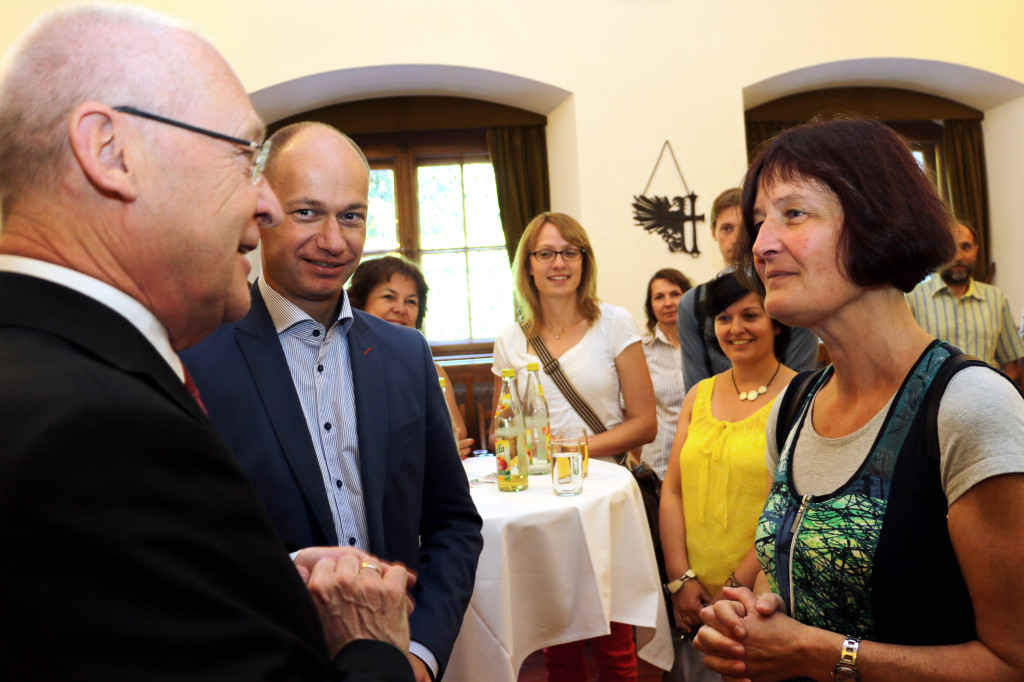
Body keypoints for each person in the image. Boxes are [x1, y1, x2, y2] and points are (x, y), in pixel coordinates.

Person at [0, 5, 415, 681]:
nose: (268, 206)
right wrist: (369, 644)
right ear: (110, 152)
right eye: (244, 156)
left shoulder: (51, 368)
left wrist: (266, 581)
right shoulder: (97, 430)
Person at [694, 117, 1024, 681]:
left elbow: (1011, 661)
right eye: (758, 222)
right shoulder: (794, 407)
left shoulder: (965, 408)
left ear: (878, 222)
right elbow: (783, 578)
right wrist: (752, 613)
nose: (761, 244)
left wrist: (817, 654)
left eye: (793, 214)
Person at [181, 121, 483, 682]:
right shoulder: (196, 357)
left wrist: (420, 653)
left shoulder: (405, 353)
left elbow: (453, 522)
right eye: (307, 212)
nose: (334, 241)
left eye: (350, 215)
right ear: (259, 212)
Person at [491, 211, 657, 681]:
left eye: (569, 252)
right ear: (528, 265)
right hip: (542, 501)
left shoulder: (614, 323)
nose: (558, 263)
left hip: (603, 492)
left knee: (613, 637)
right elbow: (505, 426)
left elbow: (645, 424)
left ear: (585, 261)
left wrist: (578, 447)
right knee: (556, 638)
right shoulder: (510, 339)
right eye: (545, 253)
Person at [659, 272, 795, 682]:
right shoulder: (698, 395)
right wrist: (680, 579)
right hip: (694, 594)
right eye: (723, 317)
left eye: (749, 315)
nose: (735, 329)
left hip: (763, 594)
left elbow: (788, 508)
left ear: (775, 320)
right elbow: (673, 492)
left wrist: (735, 586)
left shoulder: (800, 395)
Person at [676, 188, 818, 390]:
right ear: (713, 233)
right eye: (727, 228)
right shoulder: (692, 303)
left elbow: (801, 381)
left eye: (745, 228)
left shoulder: (789, 292)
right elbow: (696, 388)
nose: (736, 238)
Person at [348, 255, 473, 457]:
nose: (400, 309)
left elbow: (456, 437)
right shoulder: (342, 364)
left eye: (411, 301)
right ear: (360, 304)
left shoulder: (432, 371)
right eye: (389, 297)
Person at [906, 219, 1023, 384]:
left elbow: (1012, 367)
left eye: (966, 247)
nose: (959, 256)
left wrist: (994, 396)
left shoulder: (996, 299)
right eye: (951, 248)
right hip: (933, 407)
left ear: (976, 250)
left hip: (986, 403)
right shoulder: (914, 299)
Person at [636, 267, 693, 477]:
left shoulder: (707, 346)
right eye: (659, 297)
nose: (668, 303)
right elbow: (629, 416)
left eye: (675, 294)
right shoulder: (641, 351)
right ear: (651, 306)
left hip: (703, 460)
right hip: (660, 464)